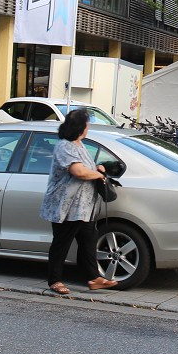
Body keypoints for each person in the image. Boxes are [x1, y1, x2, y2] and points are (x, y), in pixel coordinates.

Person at [39, 108, 118, 295]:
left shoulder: (78, 144)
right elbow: (78, 172)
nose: (88, 128)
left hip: (83, 207)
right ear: (80, 127)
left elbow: (85, 168)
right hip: (67, 206)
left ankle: (94, 278)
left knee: (88, 241)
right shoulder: (65, 146)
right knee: (62, 242)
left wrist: (97, 167)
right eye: (87, 124)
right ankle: (55, 280)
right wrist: (98, 174)